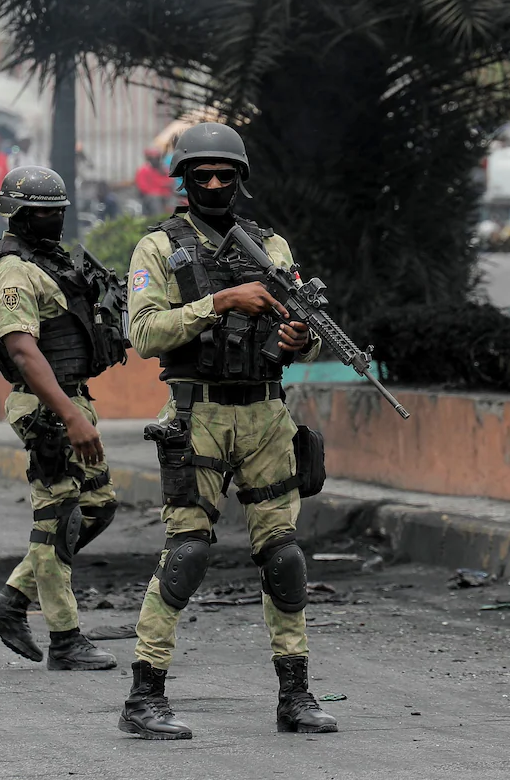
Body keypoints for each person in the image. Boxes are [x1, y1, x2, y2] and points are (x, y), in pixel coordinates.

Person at [117, 122, 336, 740]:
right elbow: (144, 333)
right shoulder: (158, 248)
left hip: (266, 412)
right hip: (197, 414)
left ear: (241, 179)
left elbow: (302, 327)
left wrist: (299, 337)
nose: (214, 184)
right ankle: (144, 695)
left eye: (225, 175)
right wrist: (221, 302)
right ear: (182, 181)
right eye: (201, 175)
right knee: (186, 553)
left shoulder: (274, 247)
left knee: (284, 556)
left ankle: (295, 693)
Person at [0, 166, 127, 671]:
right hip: (47, 405)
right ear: (17, 214)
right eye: (44, 213)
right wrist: (68, 415)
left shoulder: (48, 261)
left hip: (72, 400)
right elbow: (22, 350)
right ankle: (64, 639)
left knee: (97, 508)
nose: (55, 220)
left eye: (59, 211)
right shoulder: (10, 270)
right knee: (56, 514)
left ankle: (11, 602)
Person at [135, 147, 175, 216]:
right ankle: (159, 220)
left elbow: (170, 182)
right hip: (150, 197)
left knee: (176, 200)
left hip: (166, 195)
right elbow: (143, 187)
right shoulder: (143, 170)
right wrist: (160, 189)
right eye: (152, 158)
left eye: (157, 158)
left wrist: (164, 187)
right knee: (155, 200)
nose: (155, 160)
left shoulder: (163, 169)